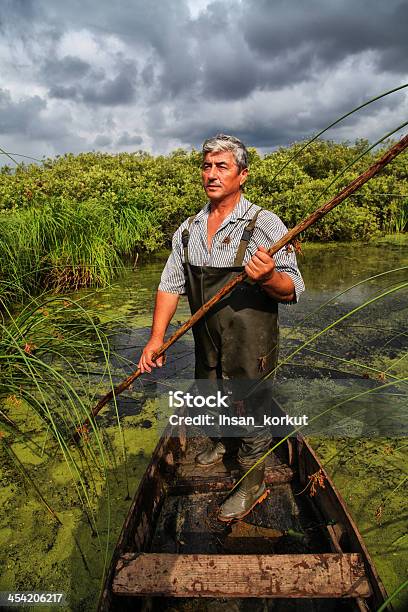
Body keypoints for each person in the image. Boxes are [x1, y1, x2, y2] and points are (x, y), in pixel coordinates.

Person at [138, 134, 304, 521]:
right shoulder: (188, 230)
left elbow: (293, 287)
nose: (212, 174)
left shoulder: (264, 224)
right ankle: (223, 443)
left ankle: (253, 480)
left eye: (222, 166)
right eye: (207, 166)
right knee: (211, 388)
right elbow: (169, 284)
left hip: (250, 340)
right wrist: (156, 338)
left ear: (242, 175)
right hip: (207, 337)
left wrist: (268, 278)